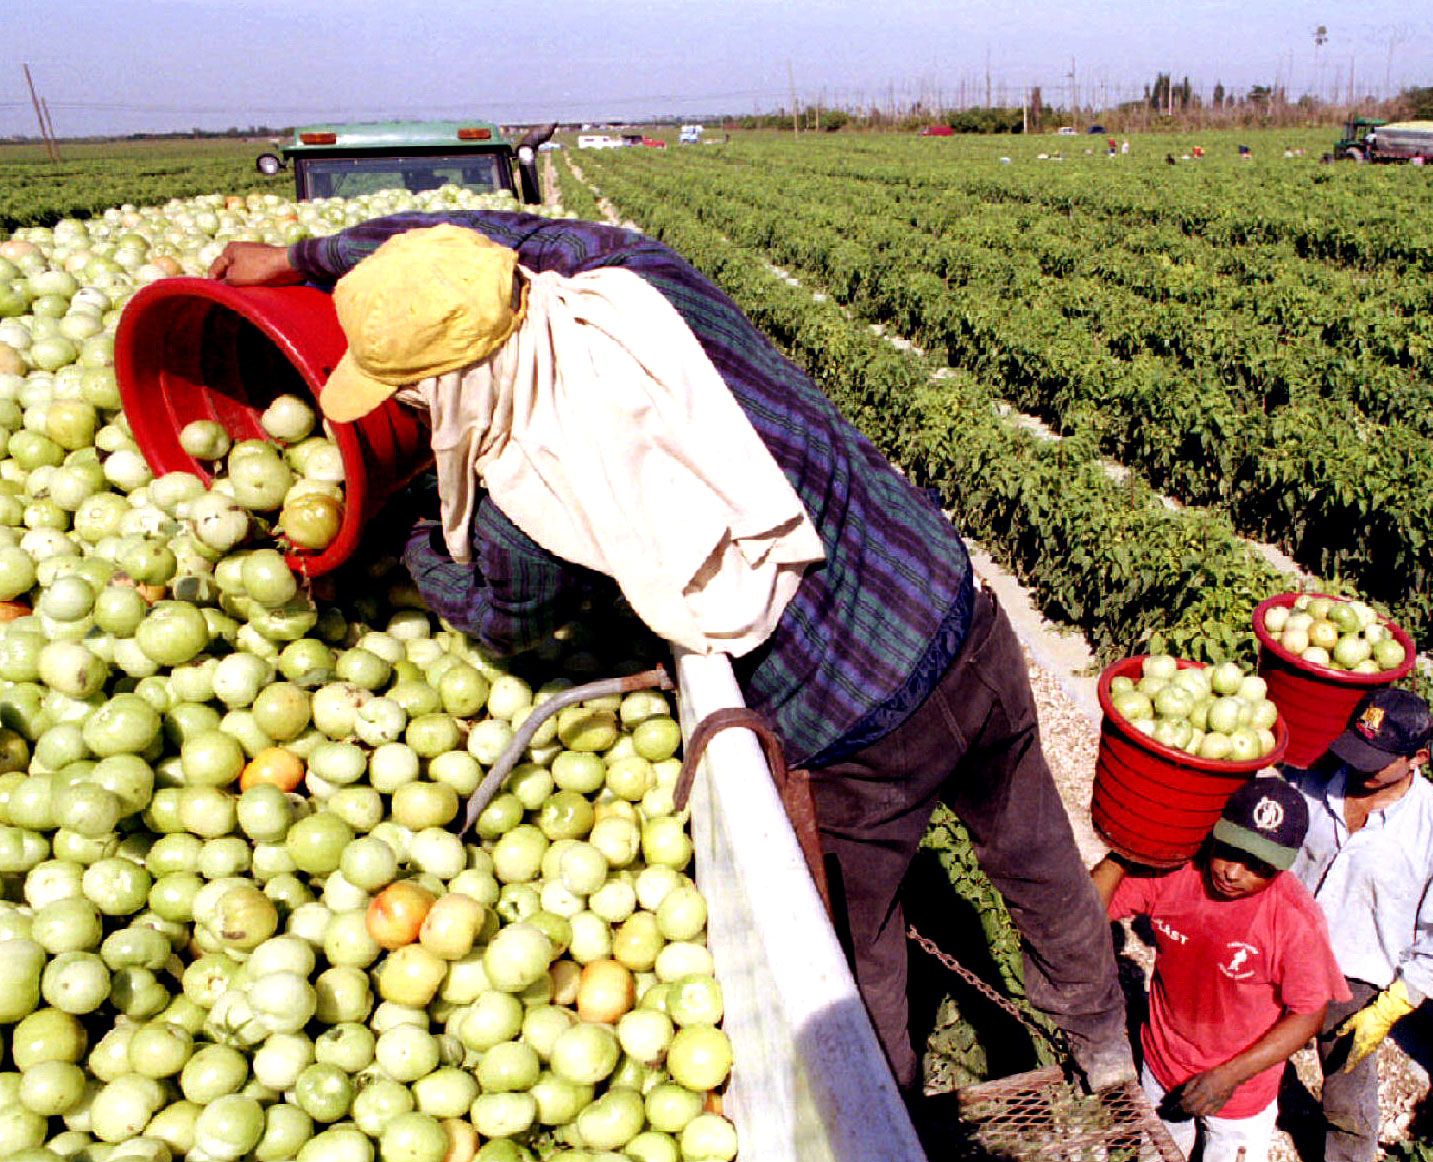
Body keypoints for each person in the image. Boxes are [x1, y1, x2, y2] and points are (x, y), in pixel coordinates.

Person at [208, 215, 1135, 1096]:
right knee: (1037, 854)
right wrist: (307, 252)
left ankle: (902, 1133)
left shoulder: (523, 505)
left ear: (450, 387)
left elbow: (501, 618)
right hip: (945, 602)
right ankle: (1102, 1049)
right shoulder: (641, 287)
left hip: (845, 722)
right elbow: (497, 232)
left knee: (859, 943)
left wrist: (400, 536)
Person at [1091, 780, 1348, 1162]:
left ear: (1282, 867)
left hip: (1242, 1093)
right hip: (1162, 1063)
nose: (1232, 873)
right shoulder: (1178, 872)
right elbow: (1083, 916)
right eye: (1227, 851)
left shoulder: (1295, 921)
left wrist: (1228, 1077)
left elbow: (1309, 1012)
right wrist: (1121, 855)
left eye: (1256, 866)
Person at [1287, 688, 1433, 1162]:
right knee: (1249, 1042)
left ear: (1418, 758)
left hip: (1354, 975)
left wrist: (1394, 1003)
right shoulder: (1316, 780)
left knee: (1346, 1083)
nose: (1360, 769)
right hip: (1283, 945)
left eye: (1376, 761)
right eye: (1357, 751)